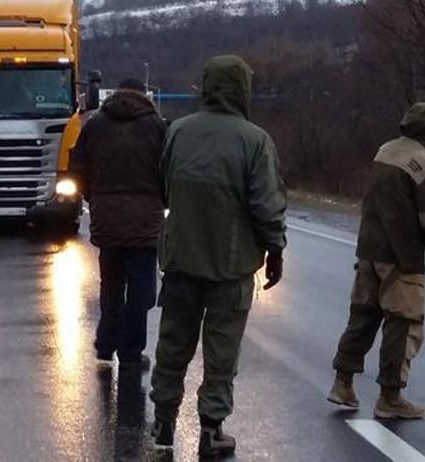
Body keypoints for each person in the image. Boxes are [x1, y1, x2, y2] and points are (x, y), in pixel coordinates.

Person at [149, 55, 287, 457]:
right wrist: (275, 248)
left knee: (173, 342)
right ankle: (211, 429)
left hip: (181, 257)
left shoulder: (178, 131)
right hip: (232, 263)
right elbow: (266, 205)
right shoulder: (255, 140)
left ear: (206, 87)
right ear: (243, 88)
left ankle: (163, 419)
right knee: (221, 351)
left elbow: (164, 185)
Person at [328, 103, 425, 420]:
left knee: (362, 317)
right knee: (402, 324)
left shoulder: (385, 151)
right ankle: (390, 398)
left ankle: (342, 383)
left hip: (368, 249)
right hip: (402, 256)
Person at [70, 78, 167, 369]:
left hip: (107, 217)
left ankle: (105, 342)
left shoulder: (96, 125)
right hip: (145, 220)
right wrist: (162, 200)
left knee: (111, 284)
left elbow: (77, 167)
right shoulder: (156, 127)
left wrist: (93, 197)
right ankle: (130, 350)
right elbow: (170, 168)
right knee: (141, 290)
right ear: (143, 95)